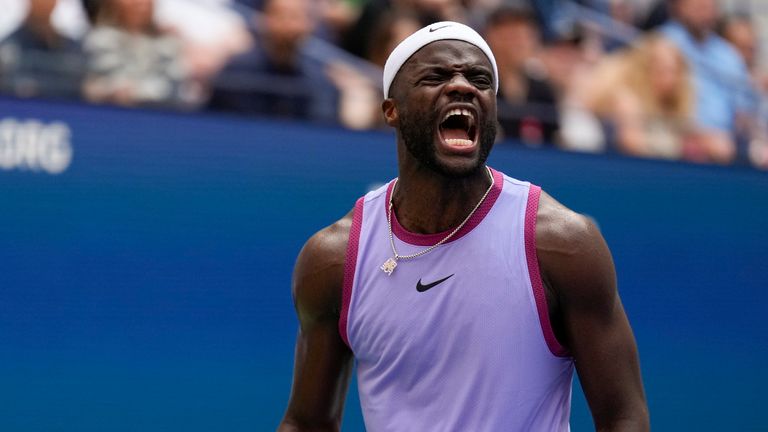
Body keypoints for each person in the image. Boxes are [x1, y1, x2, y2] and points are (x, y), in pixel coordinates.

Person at [278, 22, 649, 431]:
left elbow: (623, 417)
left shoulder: (561, 244)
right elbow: (306, 422)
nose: (462, 87)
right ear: (391, 109)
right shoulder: (334, 258)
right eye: (435, 77)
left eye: (479, 79)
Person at [583, 34, 695, 160]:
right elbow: (632, 143)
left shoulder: (674, 105)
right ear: (645, 70)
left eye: (674, 71)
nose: (670, 79)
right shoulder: (627, 101)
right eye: (662, 70)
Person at [82, 0, 194, 108]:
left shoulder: (168, 44)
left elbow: (172, 87)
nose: (140, 2)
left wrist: (135, 93)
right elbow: (89, 86)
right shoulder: (96, 41)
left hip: (156, 117)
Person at [485, 6, 560, 146]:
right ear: (492, 37)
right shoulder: (480, 86)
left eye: (527, 36)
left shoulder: (543, 91)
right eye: (513, 37)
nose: (522, 43)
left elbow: (554, 141)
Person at [0, 0, 84, 99]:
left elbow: (80, 79)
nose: (45, 3)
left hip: (66, 108)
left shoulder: (69, 45)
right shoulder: (11, 44)